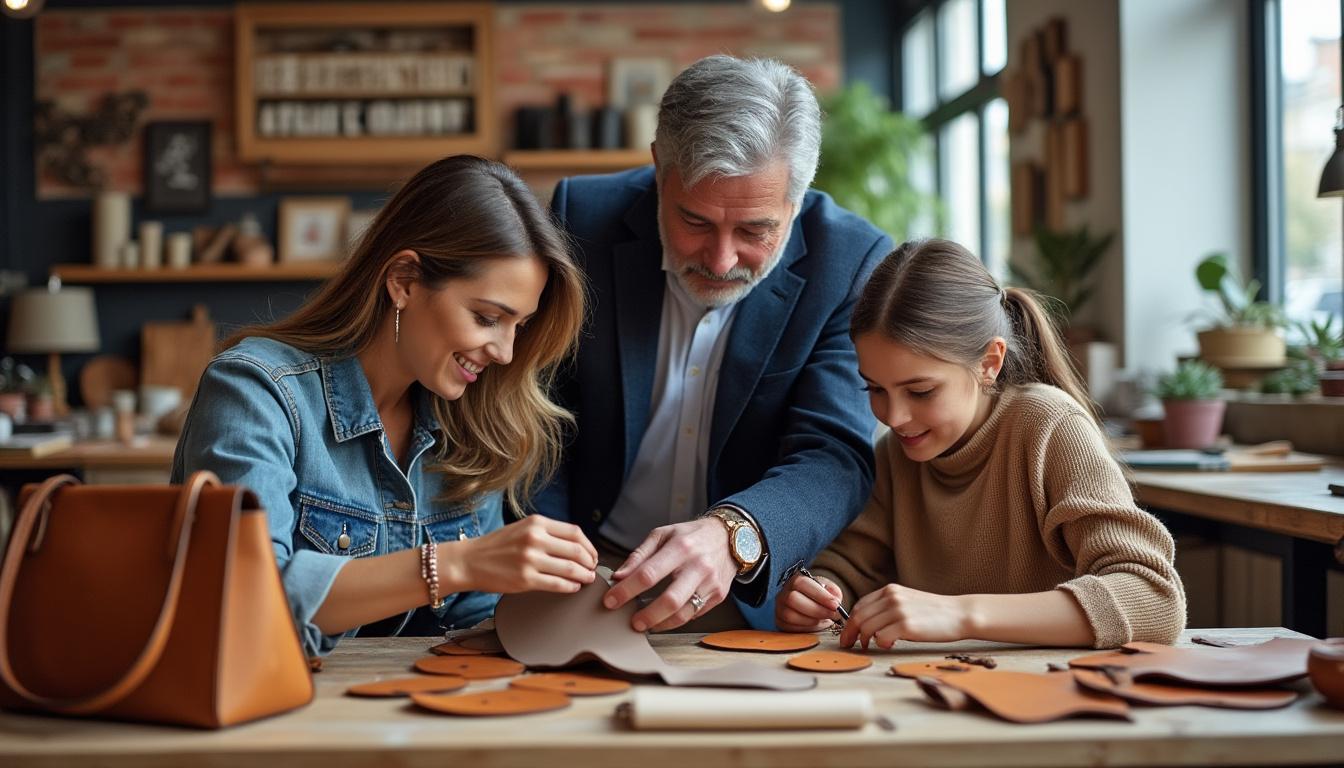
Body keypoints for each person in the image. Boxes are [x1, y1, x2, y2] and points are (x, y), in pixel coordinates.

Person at [173, 155, 597, 656]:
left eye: (518, 327)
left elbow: (472, 620)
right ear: (404, 281)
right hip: (269, 721)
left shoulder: (474, 422)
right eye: (486, 318)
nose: (505, 353)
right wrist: (458, 563)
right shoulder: (257, 390)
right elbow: (243, 600)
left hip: (412, 718)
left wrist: (568, 610)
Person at [533, 55, 892, 632]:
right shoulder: (581, 219)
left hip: (745, 593)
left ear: (795, 202)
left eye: (754, 231)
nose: (721, 261)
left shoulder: (850, 263)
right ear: (658, 168)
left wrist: (737, 532)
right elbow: (541, 411)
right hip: (583, 570)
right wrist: (555, 561)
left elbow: (834, 454)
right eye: (695, 222)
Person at [774, 238, 1187, 649]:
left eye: (920, 391)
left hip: (1054, 695)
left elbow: (1154, 598)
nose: (894, 417)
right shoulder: (895, 455)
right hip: (935, 691)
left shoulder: (1049, 426)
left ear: (990, 363)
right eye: (875, 389)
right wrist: (819, 595)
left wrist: (960, 615)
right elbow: (848, 567)